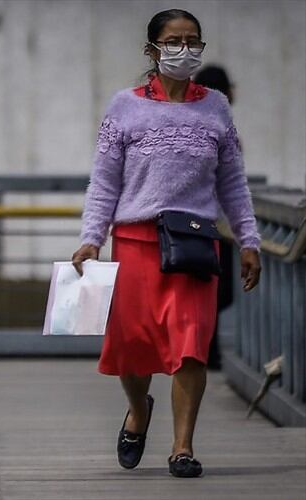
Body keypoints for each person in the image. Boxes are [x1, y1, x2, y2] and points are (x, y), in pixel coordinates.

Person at [72, 9, 262, 478]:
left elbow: (233, 183)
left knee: (191, 345)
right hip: (136, 242)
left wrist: (249, 240)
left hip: (195, 244)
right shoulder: (124, 107)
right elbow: (104, 183)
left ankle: (182, 448)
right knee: (132, 350)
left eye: (192, 40)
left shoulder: (216, 106)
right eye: (173, 40)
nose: (184, 48)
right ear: (152, 49)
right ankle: (139, 409)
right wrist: (91, 238)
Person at [194, 65, 236, 371]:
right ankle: (205, 352)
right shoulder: (211, 129)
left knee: (218, 294)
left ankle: (209, 350)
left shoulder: (220, 126)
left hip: (218, 226)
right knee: (216, 293)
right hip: (212, 226)